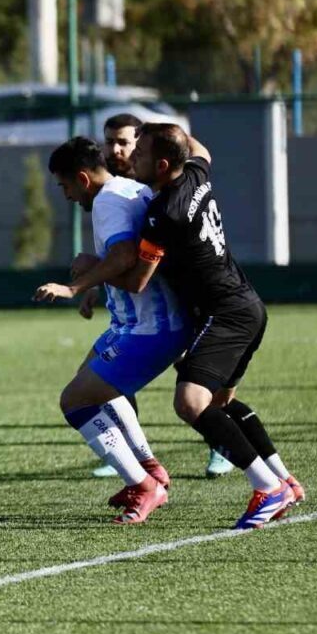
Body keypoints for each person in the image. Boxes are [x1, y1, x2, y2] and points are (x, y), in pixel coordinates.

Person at [125, 123, 304, 529]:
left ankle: (267, 488)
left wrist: (87, 274)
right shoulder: (195, 174)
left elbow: (138, 279)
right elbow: (198, 148)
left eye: (141, 152)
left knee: (190, 402)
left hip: (225, 313)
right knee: (219, 404)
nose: (132, 158)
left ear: (163, 163)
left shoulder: (163, 213)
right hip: (247, 304)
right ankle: (284, 480)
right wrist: (168, 129)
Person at [34, 138, 189, 524]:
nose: (66, 195)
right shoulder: (129, 188)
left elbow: (124, 257)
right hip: (135, 323)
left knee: (75, 402)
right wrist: (96, 276)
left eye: (64, 186)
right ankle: (149, 467)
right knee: (91, 384)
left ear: (82, 178)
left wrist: (76, 285)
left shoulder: (106, 201)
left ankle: (143, 485)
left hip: (149, 328)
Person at [85, 113, 235, 479]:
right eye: (110, 142)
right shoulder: (116, 191)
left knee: (199, 380)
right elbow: (120, 249)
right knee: (106, 372)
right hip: (145, 307)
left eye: (125, 142)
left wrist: (82, 280)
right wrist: (93, 285)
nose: (116, 150)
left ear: (148, 147)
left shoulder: (163, 190)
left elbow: (129, 260)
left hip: (190, 299)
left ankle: (223, 444)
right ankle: (128, 454)